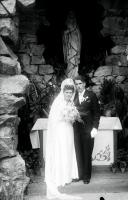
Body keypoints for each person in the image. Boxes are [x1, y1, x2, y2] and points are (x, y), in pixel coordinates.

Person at [45, 78, 82, 199]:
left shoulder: (70, 103)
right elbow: (53, 119)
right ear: (63, 92)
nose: (69, 94)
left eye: (71, 93)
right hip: (60, 130)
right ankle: (60, 176)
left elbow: (73, 116)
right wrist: (65, 116)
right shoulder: (58, 102)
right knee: (61, 151)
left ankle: (67, 175)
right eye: (67, 92)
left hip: (68, 130)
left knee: (68, 151)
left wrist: (72, 115)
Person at [73, 75, 100, 184]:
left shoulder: (91, 95)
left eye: (80, 83)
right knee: (78, 151)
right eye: (76, 84)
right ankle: (79, 174)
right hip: (76, 129)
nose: (78, 86)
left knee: (87, 152)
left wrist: (95, 128)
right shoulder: (73, 96)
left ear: (84, 84)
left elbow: (97, 113)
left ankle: (86, 176)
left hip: (88, 129)